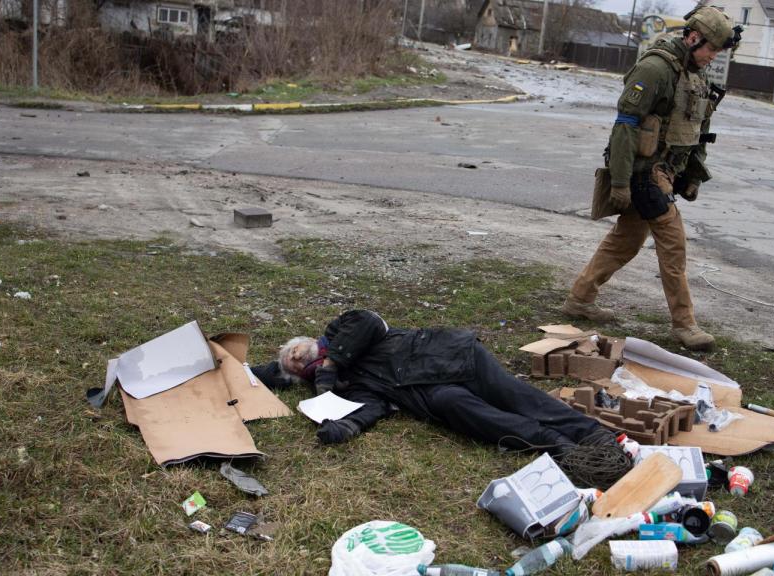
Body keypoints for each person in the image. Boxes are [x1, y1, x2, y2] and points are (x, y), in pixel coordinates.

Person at [562, 6, 742, 352]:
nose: (712, 57)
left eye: (717, 52)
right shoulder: (655, 68)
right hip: (644, 174)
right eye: (710, 49)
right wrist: (619, 182)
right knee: (673, 242)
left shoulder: (695, 72)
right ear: (692, 38)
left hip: (667, 172)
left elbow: (698, 130)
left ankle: (580, 299)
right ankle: (684, 324)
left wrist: (693, 175)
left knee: (625, 241)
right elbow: (626, 126)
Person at [253, 310, 616, 458]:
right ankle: (558, 445)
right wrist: (346, 425)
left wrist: (331, 363)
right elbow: (373, 405)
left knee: (512, 393)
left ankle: (589, 433)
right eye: (295, 366)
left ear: (307, 341)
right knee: (471, 413)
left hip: (450, 356)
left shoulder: (342, 330)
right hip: (429, 394)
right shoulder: (343, 385)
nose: (298, 359)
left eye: (296, 351)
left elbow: (369, 323)